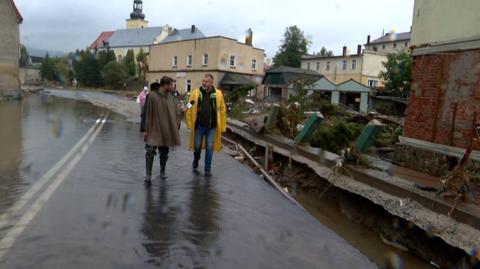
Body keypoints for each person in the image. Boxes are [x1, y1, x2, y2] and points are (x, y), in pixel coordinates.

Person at [140, 77, 181, 185]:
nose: (173, 87)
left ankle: (162, 171)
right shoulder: (152, 96)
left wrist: (190, 105)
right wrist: (144, 129)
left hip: (165, 129)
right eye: (172, 85)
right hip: (153, 129)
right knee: (150, 151)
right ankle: (148, 175)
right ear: (165, 85)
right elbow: (145, 113)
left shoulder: (171, 97)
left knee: (164, 152)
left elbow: (178, 111)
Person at [186, 74, 227, 177]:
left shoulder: (218, 94)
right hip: (199, 126)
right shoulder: (196, 93)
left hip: (212, 127)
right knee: (197, 147)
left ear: (212, 83)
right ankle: (196, 159)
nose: (204, 83)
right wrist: (188, 118)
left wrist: (222, 125)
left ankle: (207, 169)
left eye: (206, 81)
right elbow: (189, 105)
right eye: (203, 81)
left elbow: (222, 110)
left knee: (209, 147)